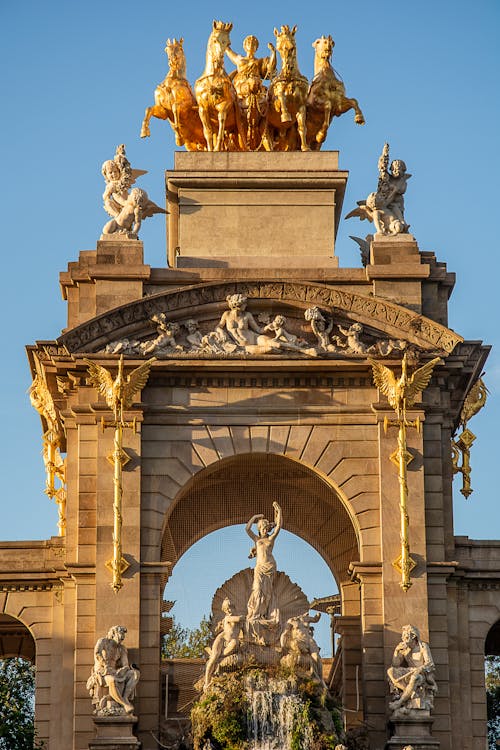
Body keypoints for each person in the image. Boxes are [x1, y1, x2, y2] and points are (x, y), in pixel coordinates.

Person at [245, 502, 282, 644]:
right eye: (263, 527)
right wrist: (255, 517)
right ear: (259, 529)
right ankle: (256, 614)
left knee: (267, 592)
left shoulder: (270, 539)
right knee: (257, 590)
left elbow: (278, 527)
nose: (265, 530)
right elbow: (247, 529)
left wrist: (279, 511)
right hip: (259, 568)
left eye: (267, 528)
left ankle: (265, 613)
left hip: (270, 567)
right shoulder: (257, 539)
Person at [87, 625, 140, 715]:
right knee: (112, 680)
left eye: (123, 638)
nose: (121, 640)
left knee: (135, 674)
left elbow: (125, 664)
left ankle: (125, 697)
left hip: (114, 671)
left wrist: (124, 669)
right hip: (102, 672)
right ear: (113, 634)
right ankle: (124, 704)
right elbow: (97, 653)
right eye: (120, 636)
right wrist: (105, 664)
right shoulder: (103, 642)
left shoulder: (121, 648)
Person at [387, 624, 438, 713]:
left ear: (413, 636)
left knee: (415, 677)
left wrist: (420, 669)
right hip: (409, 672)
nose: (403, 638)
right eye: (402, 636)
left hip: (422, 674)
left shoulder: (423, 647)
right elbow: (395, 665)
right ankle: (410, 693)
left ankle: (400, 702)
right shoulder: (405, 649)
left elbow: (430, 664)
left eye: (405, 636)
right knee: (390, 671)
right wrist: (397, 651)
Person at [204, 598, 244, 689]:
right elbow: (239, 618)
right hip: (222, 639)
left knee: (235, 643)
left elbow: (244, 631)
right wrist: (247, 617)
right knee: (214, 658)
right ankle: (206, 683)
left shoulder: (239, 623)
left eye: (230, 608)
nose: (228, 610)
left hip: (232, 641)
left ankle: (218, 658)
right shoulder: (228, 618)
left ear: (234, 607)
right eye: (226, 609)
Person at [280, 611, 326, 688]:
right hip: (298, 640)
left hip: (309, 639)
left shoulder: (306, 618)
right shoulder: (291, 621)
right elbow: (285, 633)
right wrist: (283, 644)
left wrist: (318, 615)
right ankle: (309, 674)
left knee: (316, 656)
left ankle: (320, 679)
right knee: (298, 652)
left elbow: (315, 619)